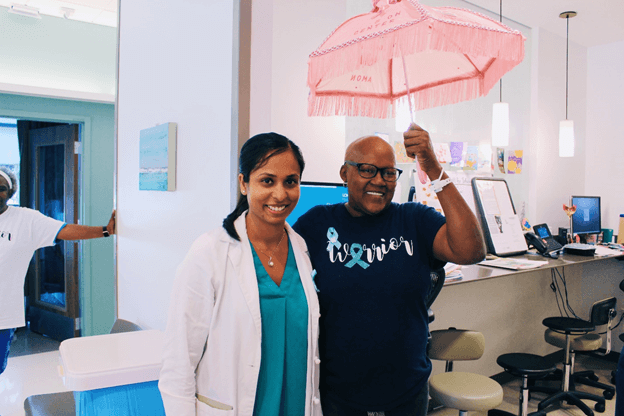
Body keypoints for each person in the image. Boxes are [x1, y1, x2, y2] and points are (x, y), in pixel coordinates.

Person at [293, 124, 486, 416]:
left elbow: (471, 250)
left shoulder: (414, 219)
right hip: (338, 394)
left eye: (388, 172)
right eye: (367, 170)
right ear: (345, 173)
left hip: (406, 393)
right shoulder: (317, 224)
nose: (380, 181)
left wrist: (433, 168)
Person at [158, 133, 321, 416]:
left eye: (290, 182)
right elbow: (178, 362)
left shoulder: (301, 248)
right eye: (267, 181)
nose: (280, 194)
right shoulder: (209, 252)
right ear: (244, 183)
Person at [0, 166, 115, 375]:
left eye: (1, 187)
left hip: (2, 312)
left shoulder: (25, 219)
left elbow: (64, 230)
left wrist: (105, 231)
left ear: (10, 192)